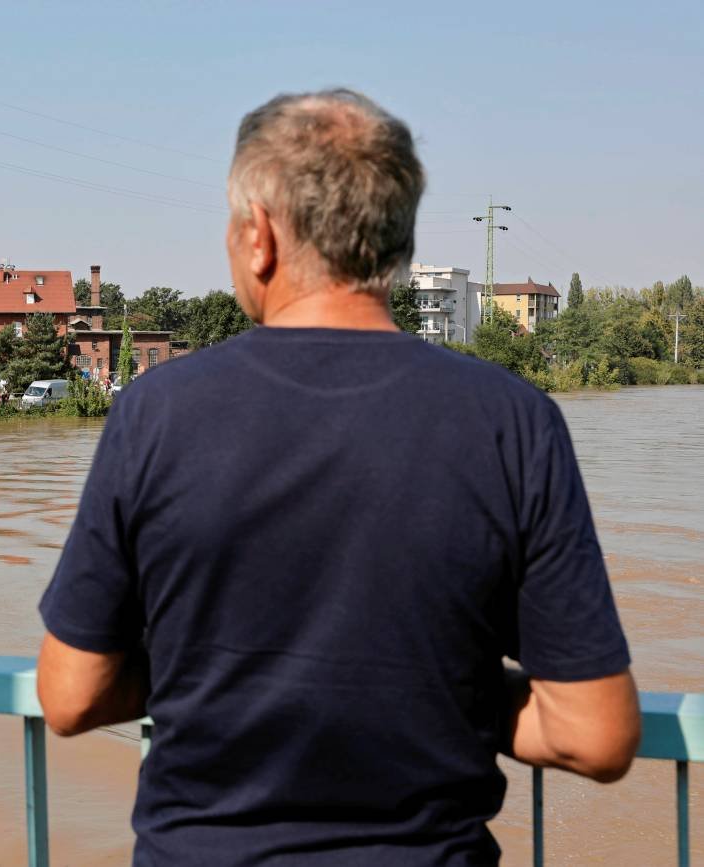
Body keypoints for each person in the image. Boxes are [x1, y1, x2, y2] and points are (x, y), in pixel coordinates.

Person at [36, 89, 639, 866]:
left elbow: (71, 692)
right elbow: (596, 733)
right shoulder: (512, 421)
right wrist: (433, 687)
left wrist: (221, 675)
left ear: (259, 236)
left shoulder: (157, 413)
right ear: (395, 242)